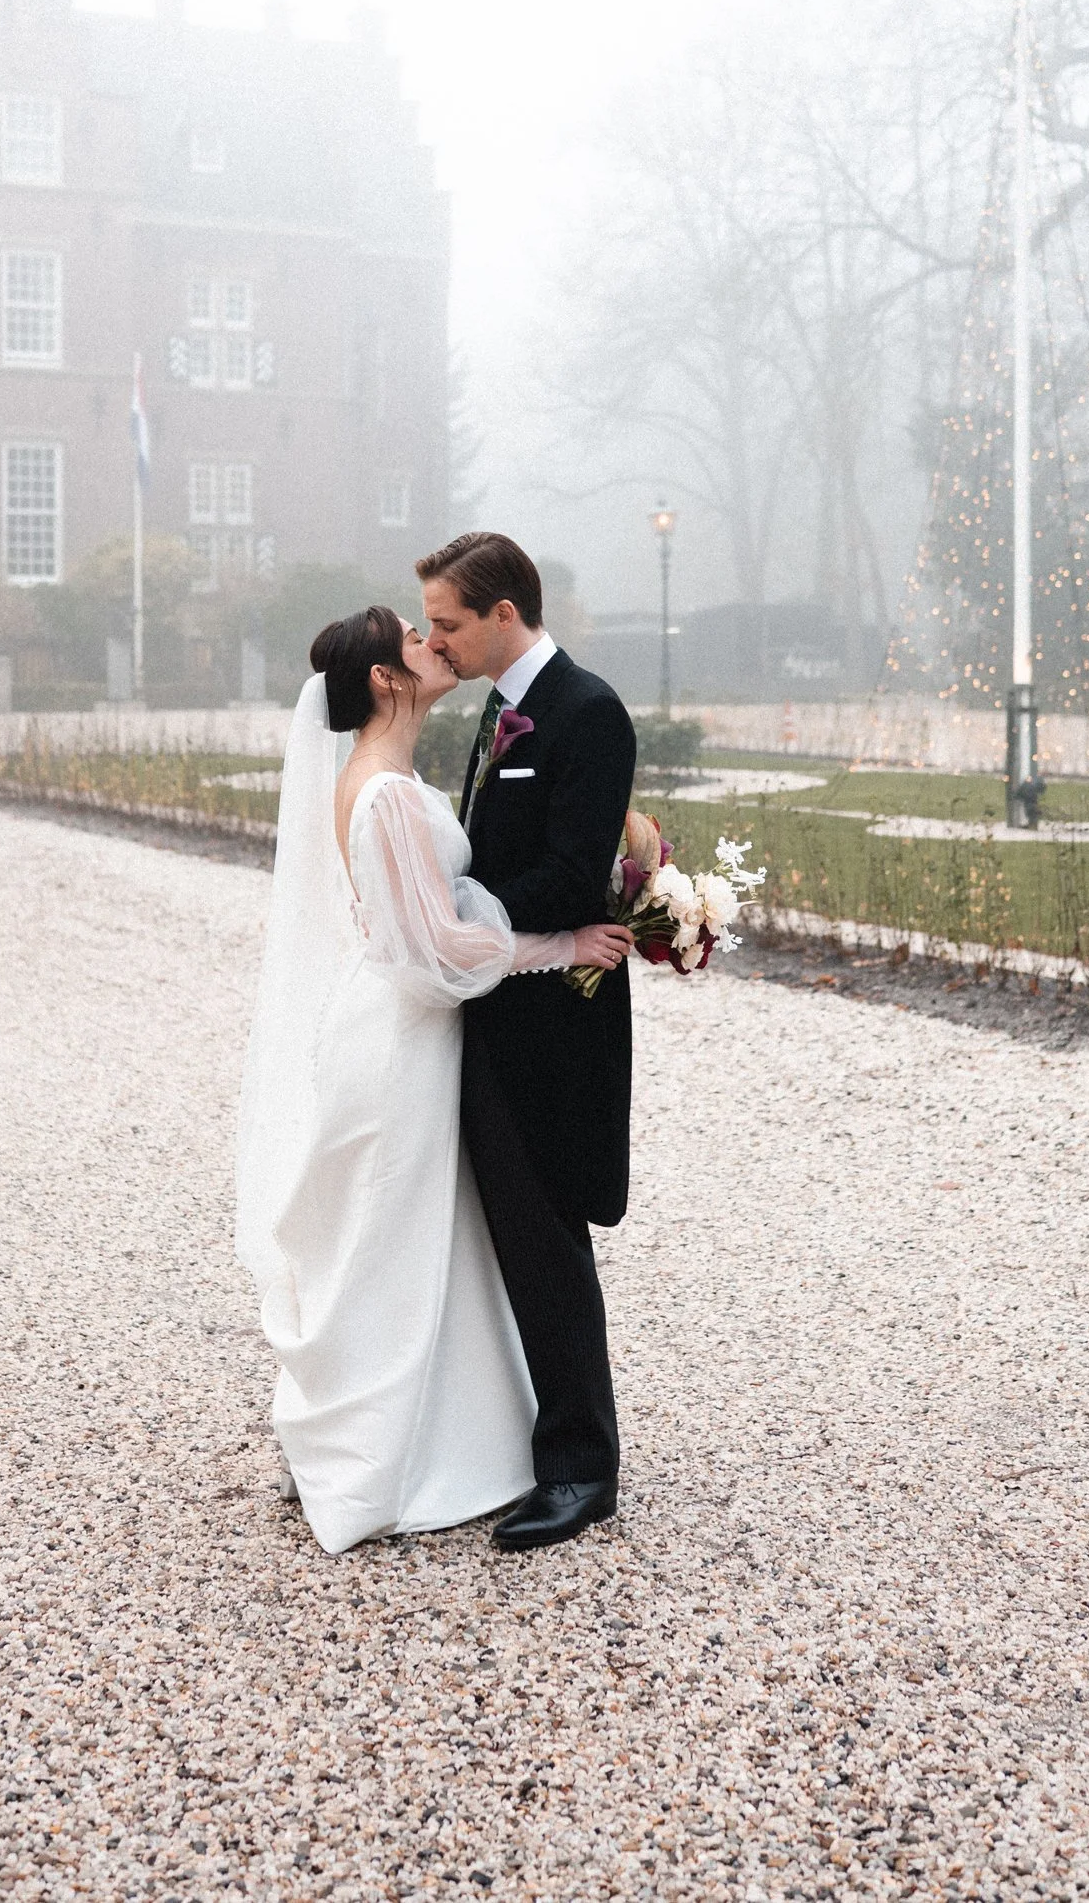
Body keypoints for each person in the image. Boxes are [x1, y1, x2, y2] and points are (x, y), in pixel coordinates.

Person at [234, 605, 633, 1556]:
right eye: (418, 637)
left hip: (419, 1031)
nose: (435, 643)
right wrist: (563, 943)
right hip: (406, 1036)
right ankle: (367, 1448)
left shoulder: (393, 777)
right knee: (387, 1236)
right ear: (383, 677)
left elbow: (438, 910)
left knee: (413, 1240)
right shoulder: (381, 793)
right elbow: (436, 945)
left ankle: (406, 1433)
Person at [418, 532, 637, 1552]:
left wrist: (440, 906)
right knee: (510, 1238)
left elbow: (568, 874)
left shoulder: (587, 712)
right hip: (490, 1012)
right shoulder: (498, 714)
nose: (437, 639)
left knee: (551, 1244)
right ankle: (527, 1434)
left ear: (505, 611)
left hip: (553, 1025)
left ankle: (581, 1467)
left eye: (449, 622)